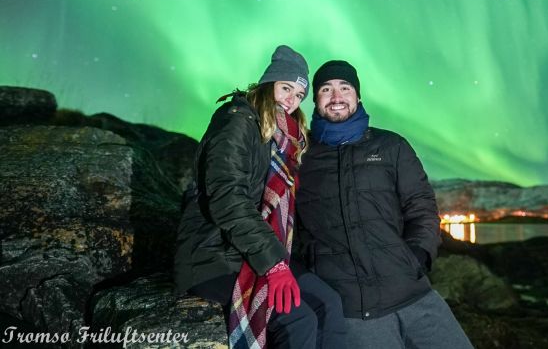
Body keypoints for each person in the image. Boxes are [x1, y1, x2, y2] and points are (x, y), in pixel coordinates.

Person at [174, 45, 346, 349]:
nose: (290, 101)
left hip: (251, 252)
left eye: (298, 96)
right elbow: (227, 199)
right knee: (299, 319)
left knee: (329, 301)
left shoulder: (280, 137)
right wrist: (274, 265)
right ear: (268, 84)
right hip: (213, 257)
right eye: (285, 88)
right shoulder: (237, 121)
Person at [293, 60, 473, 349]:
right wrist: (317, 269)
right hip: (352, 312)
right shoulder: (301, 157)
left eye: (345, 87)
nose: (336, 97)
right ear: (315, 99)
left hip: (414, 295)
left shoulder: (391, 146)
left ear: (358, 96)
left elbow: (422, 207)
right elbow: (292, 226)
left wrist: (417, 257)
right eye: (326, 89)